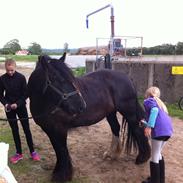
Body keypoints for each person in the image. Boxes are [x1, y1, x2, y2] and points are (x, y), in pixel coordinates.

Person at [0, 58, 40, 164]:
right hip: (9, 108)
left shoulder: (21, 78)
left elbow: (26, 93)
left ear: (15, 67)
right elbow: (0, 95)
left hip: (21, 106)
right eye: (8, 70)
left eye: (12, 70)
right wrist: (6, 104)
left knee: (26, 129)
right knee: (15, 130)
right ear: (5, 68)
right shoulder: (2, 79)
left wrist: (17, 104)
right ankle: (19, 153)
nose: (10, 72)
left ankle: (32, 151)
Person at [141, 86, 173, 183]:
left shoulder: (148, 101)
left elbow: (154, 111)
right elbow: (159, 118)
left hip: (159, 132)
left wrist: (148, 126)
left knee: (154, 156)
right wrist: (145, 123)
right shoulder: (161, 104)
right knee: (158, 154)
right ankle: (160, 179)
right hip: (167, 132)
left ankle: (155, 181)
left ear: (148, 94)